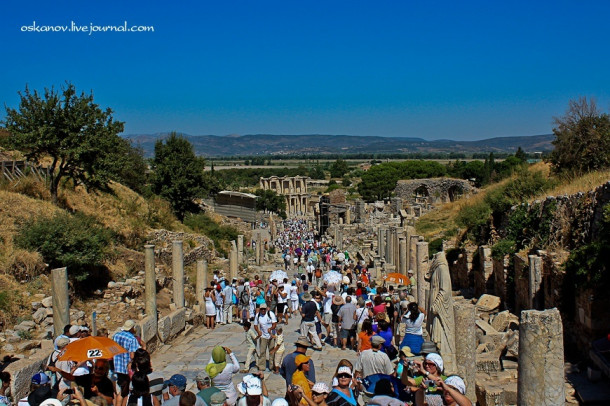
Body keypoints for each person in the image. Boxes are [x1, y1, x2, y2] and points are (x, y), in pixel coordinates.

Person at [113, 320, 141, 399]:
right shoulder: (132, 339)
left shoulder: (116, 335)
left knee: (121, 387)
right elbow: (132, 355)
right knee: (127, 390)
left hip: (117, 366)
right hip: (127, 368)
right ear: (132, 328)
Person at [254, 304, 277, 372]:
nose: (263, 310)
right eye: (262, 309)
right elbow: (255, 325)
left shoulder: (271, 314)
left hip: (271, 336)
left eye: (264, 309)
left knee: (271, 351)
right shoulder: (258, 315)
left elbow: (274, 324)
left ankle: (271, 366)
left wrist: (271, 328)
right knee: (262, 352)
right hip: (263, 336)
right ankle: (262, 366)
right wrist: (258, 331)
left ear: (266, 309)